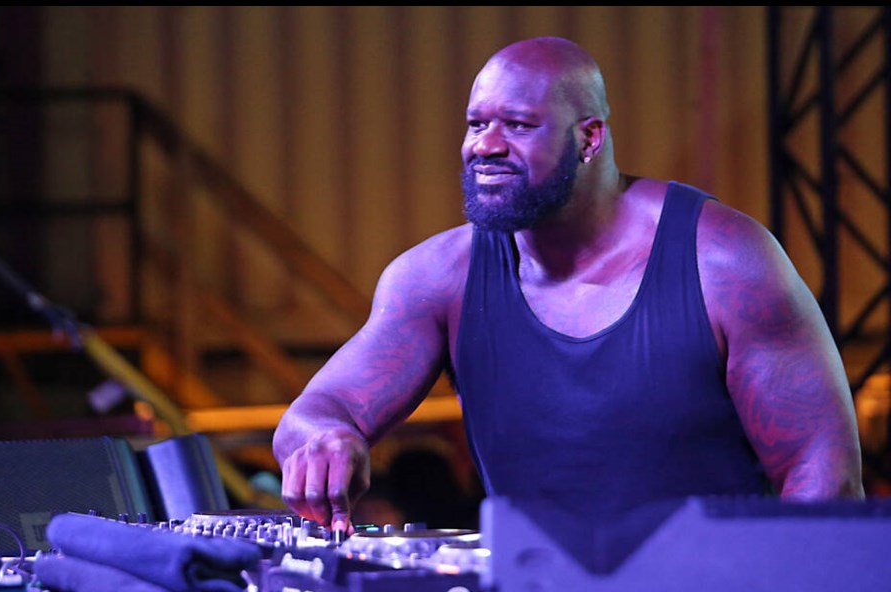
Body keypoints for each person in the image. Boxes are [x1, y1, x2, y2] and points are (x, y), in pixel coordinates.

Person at [272, 35, 865, 533]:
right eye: (476, 123)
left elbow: (822, 473)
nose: (485, 146)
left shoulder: (724, 260)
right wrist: (326, 438)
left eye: (518, 125)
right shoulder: (437, 278)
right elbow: (319, 412)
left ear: (589, 139)